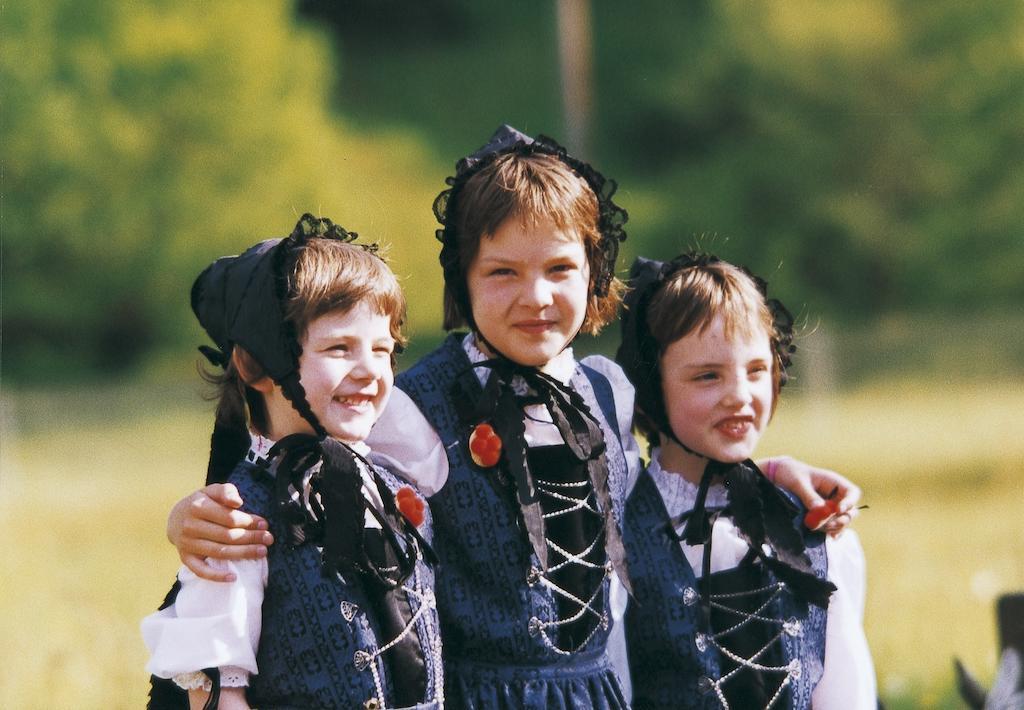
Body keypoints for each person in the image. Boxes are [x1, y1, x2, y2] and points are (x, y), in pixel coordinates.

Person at [162, 127, 861, 707]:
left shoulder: (608, 392)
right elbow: (300, 460)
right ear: (462, 281)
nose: (536, 296)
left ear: (594, 273)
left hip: (597, 694)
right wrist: (191, 512)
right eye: (502, 273)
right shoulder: (410, 407)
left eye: (560, 268)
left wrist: (772, 471)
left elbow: (664, 476)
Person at [141, 214, 444, 709]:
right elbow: (219, 695)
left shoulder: (389, 478)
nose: (370, 369)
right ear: (256, 364)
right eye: (339, 348)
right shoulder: (238, 520)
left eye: (383, 349)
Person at [616, 253, 876, 709]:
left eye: (756, 370)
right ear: (650, 387)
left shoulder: (811, 532)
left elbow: (846, 696)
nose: (739, 395)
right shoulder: (619, 538)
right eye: (708, 376)